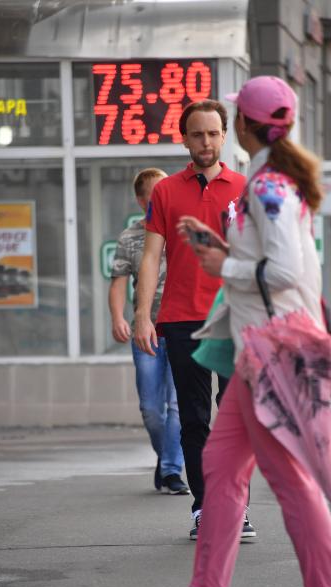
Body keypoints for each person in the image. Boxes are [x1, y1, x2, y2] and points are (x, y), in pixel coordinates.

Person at [135, 76, 331, 587]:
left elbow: (284, 272)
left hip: (271, 349)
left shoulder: (266, 187)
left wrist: (222, 266)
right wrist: (227, 254)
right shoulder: (271, 179)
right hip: (258, 346)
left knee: (287, 479)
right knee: (220, 468)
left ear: (246, 127)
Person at [134, 100, 256, 541]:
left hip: (235, 318)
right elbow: (150, 257)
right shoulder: (165, 192)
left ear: (224, 136)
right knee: (194, 419)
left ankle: (236, 507)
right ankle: (205, 507)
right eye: (196, 134)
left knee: (237, 419)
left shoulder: (245, 188)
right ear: (184, 138)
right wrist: (143, 314)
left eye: (212, 133)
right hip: (182, 319)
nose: (205, 141)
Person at [109, 168, 189, 496]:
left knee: (179, 405)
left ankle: (171, 471)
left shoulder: (184, 229)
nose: (164, 198)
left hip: (183, 326)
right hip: (147, 332)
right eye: (156, 194)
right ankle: (167, 457)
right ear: (142, 200)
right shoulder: (130, 238)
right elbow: (117, 283)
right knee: (151, 408)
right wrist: (118, 317)